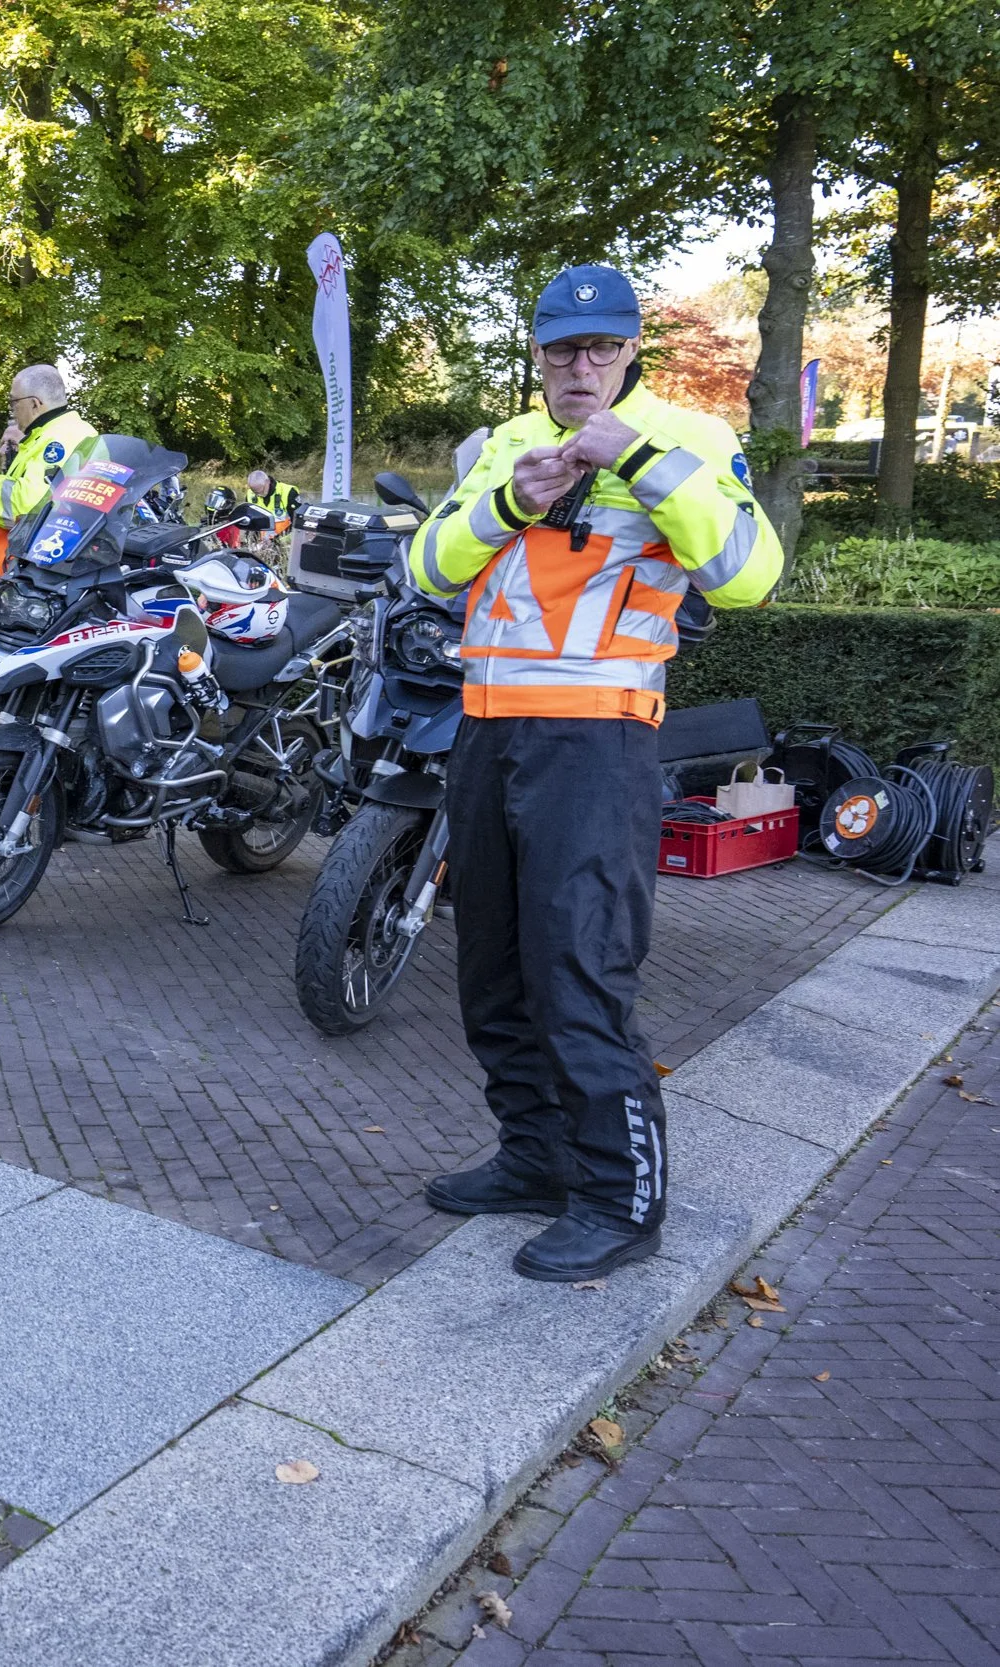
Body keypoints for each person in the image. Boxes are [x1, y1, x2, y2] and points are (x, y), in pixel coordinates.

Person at [411, 263, 782, 1283]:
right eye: (562, 349)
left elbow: (749, 574)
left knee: (578, 971)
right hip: (487, 735)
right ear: (535, 353)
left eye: (601, 348)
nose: (581, 366)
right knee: (490, 970)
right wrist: (504, 504)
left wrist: (646, 458)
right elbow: (429, 566)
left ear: (628, 353)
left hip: (597, 742)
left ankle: (622, 1198)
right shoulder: (502, 445)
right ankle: (534, 1156)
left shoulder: (689, 441)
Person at [0, 364, 100, 588]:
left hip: (44, 569)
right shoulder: (56, 434)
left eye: (13, 403)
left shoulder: (59, 439)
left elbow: (24, 507)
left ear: (35, 404)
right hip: (47, 564)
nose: (12, 410)